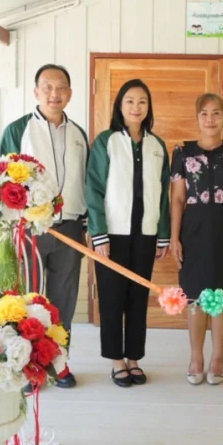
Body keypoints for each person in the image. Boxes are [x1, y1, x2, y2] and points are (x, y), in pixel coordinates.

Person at [0, 64, 87, 388]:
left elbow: (85, 182)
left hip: (71, 230)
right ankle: (28, 368)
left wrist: (86, 226)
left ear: (69, 94)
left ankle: (59, 364)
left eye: (61, 87)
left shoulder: (78, 134)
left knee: (64, 300)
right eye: (47, 87)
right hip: (31, 231)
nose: (54, 93)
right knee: (31, 301)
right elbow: (0, 179)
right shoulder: (17, 130)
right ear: (36, 92)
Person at [86, 79, 171, 387]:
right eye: (130, 101)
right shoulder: (105, 141)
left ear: (149, 108)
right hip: (112, 235)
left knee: (138, 298)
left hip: (145, 235)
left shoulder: (157, 145)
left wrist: (163, 234)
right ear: (120, 106)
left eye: (142, 102)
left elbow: (162, 194)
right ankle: (116, 360)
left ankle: (134, 357)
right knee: (111, 299)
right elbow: (93, 189)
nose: (136, 107)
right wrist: (99, 234)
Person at [169, 94, 223, 386]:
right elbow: (177, 199)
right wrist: (174, 238)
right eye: (204, 114)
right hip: (193, 230)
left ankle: (217, 357)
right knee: (195, 298)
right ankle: (196, 357)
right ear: (197, 118)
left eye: (217, 113)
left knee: (221, 297)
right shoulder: (182, 152)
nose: (210, 119)